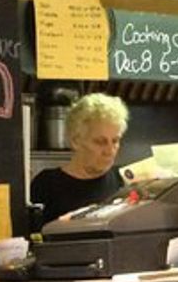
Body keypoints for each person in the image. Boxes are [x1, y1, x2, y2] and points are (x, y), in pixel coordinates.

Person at [31, 93, 130, 225]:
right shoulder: (47, 185)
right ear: (76, 141)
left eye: (115, 141)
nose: (110, 150)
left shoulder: (123, 180)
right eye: (100, 142)